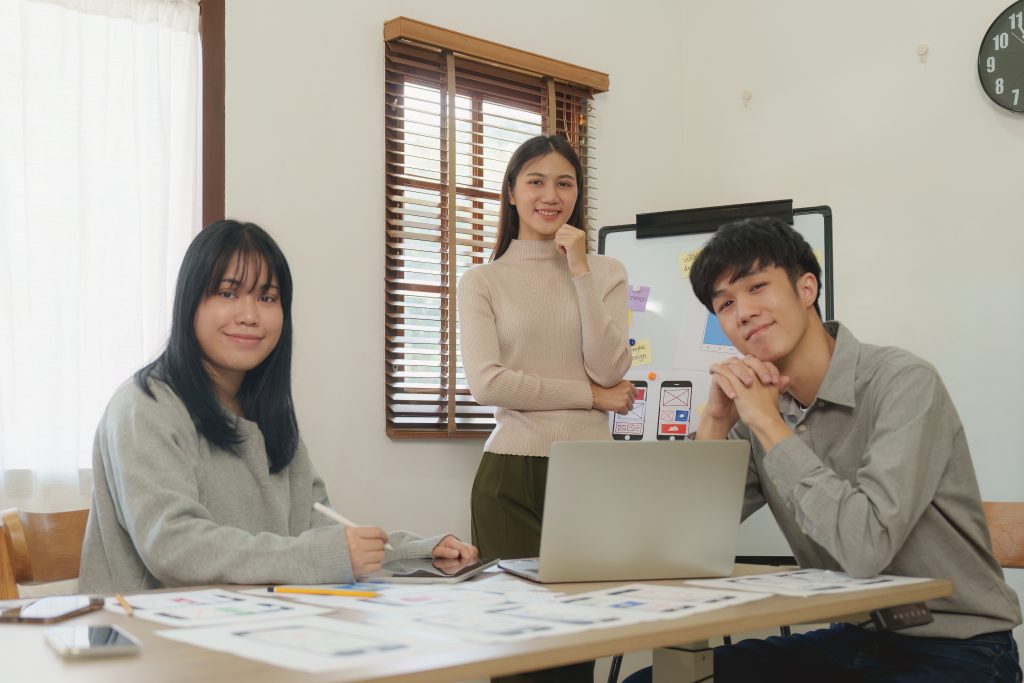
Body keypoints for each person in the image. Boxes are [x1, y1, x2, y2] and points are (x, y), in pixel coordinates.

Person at [628, 216, 1021, 682]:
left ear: (807, 288)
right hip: (853, 641)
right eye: (726, 303)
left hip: (959, 647)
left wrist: (769, 425)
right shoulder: (756, 412)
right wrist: (714, 423)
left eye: (757, 287)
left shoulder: (903, 382)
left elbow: (865, 549)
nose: (744, 312)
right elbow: (680, 542)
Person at [80, 220, 477, 594]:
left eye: (267, 298)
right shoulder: (143, 406)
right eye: (228, 293)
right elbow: (175, 548)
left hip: (251, 629)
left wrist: (417, 552)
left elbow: (318, 529)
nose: (250, 315)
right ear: (190, 304)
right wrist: (329, 556)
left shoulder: (266, 415)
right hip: (149, 644)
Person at [458, 134, 633, 682]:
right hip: (509, 474)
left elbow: (609, 369)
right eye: (535, 181)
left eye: (564, 183)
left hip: (589, 472)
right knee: (519, 651)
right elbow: (487, 384)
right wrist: (588, 398)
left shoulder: (607, 273)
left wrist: (579, 266)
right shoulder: (482, 281)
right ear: (511, 192)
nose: (550, 195)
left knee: (577, 647)